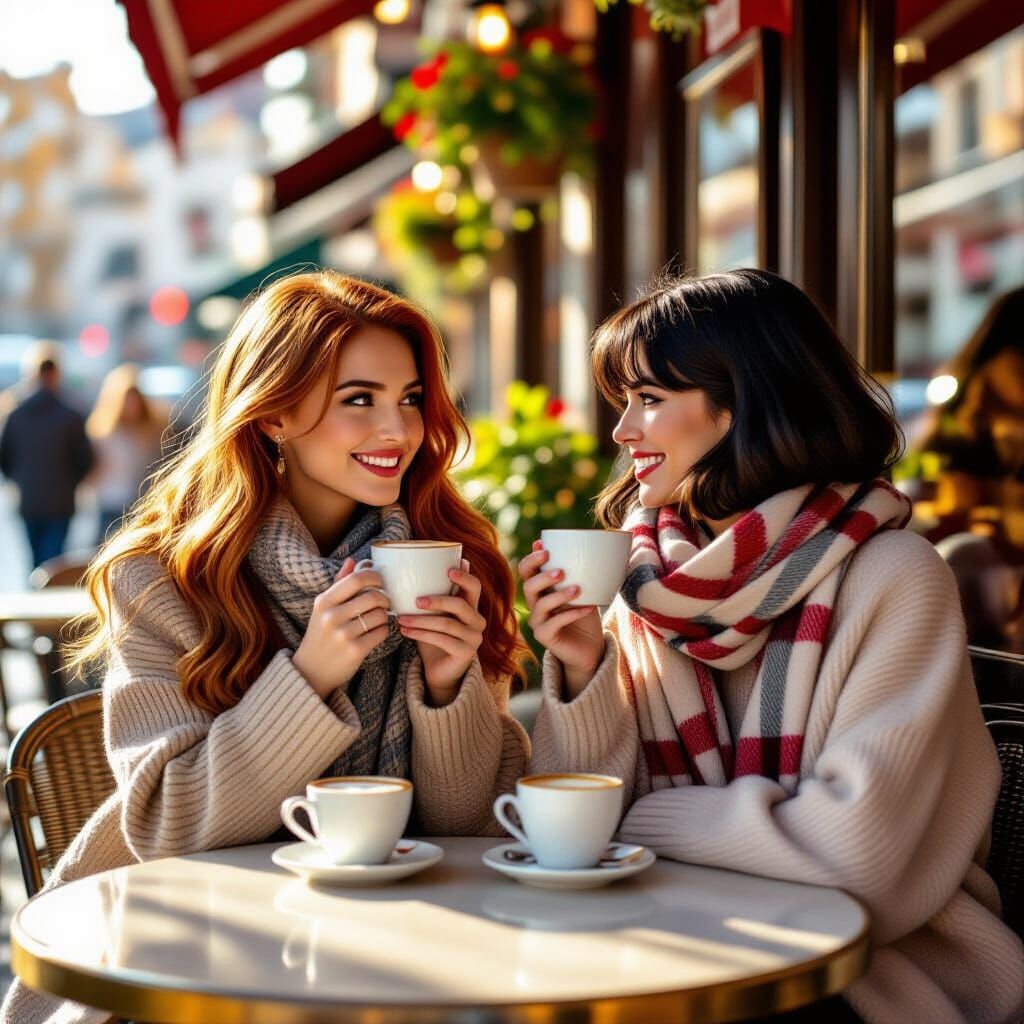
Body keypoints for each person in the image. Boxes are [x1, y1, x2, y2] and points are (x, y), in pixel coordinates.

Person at [2, 271, 531, 1024]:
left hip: (405, 958)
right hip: (192, 962)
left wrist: (449, 690)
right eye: (360, 400)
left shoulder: (449, 562)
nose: (398, 431)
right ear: (276, 413)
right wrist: (312, 676)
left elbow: (468, 833)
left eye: (410, 398)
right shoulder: (163, 578)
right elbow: (167, 827)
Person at [520, 270, 1024, 1024]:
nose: (622, 432)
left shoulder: (892, 576)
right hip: (669, 948)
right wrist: (586, 666)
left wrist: (643, 822)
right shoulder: (644, 584)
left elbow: (854, 859)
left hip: (866, 980)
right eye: (624, 402)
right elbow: (568, 836)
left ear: (742, 406)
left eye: (650, 400)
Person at [0, 349, 94, 568]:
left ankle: (35, 594)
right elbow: (84, 458)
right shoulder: (70, 415)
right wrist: (70, 482)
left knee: (34, 558)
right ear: (56, 375)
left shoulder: (16, 415)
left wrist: (19, 480)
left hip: (29, 497)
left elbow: (4, 457)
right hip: (60, 499)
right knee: (54, 560)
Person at [85, 363, 168, 542]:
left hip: (138, 503)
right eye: (126, 399)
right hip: (109, 501)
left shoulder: (150, 432)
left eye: (134, 399)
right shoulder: (103, 432)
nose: (131, 405)